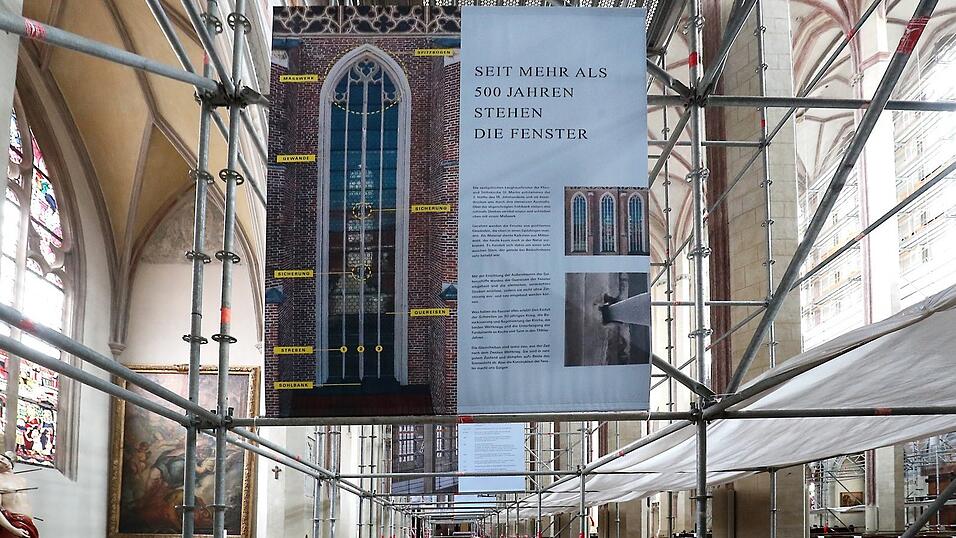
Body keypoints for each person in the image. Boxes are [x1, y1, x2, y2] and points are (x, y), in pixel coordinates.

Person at [0, 451, 37, 538]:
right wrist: (13, 530)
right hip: (12, 525)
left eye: (3, 459)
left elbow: (25, 503)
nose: (3, 462)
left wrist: (32, 522)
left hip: (29, 525)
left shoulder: (22, 480)